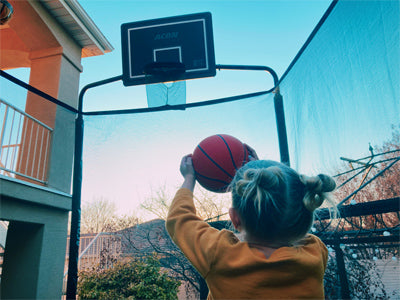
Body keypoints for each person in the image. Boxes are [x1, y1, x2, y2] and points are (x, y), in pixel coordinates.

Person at [166, 145, 336, 299]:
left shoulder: (219, 254)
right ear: (306, 212)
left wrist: (189, 178)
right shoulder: (316, 252)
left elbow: (179, 218)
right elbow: (284, 210)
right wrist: (260, 171)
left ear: (235, 218)